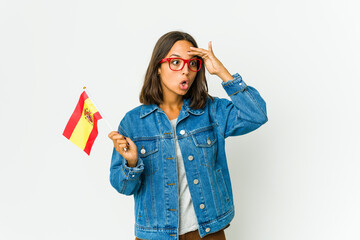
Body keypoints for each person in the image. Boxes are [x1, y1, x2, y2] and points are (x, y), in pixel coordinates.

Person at [108, 31, 268, 240]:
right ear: (158, 67)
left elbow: (256, 115)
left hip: (207, 232)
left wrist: (221, 72)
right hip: (155, 235)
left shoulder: (211, 111)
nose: (185, 71)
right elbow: (123, 187)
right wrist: (131, 163)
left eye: (192, 64)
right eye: (175, 62)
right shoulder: (133, 122)